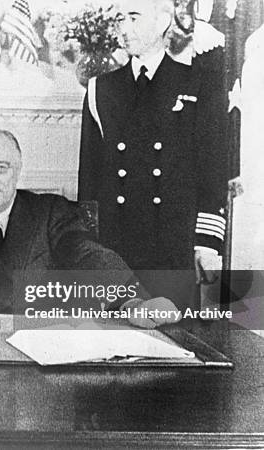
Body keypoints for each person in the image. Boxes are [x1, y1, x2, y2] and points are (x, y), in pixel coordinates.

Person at [0, 127, 179, 328]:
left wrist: (132, 303)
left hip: (36, 352)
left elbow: (87, 254)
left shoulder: (50, 211)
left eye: (2, 168)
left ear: (18, 170)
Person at [78, 0, 227, 302]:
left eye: (134, 17)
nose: (124, 28)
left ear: (162, 22)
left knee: (176, 339)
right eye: (120, 19)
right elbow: (89, 179)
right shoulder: (100, 89)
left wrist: (207, 244)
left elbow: (212, 170)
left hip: (174, 245)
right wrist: (88, 248)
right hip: (115, 247)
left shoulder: (197, 84)